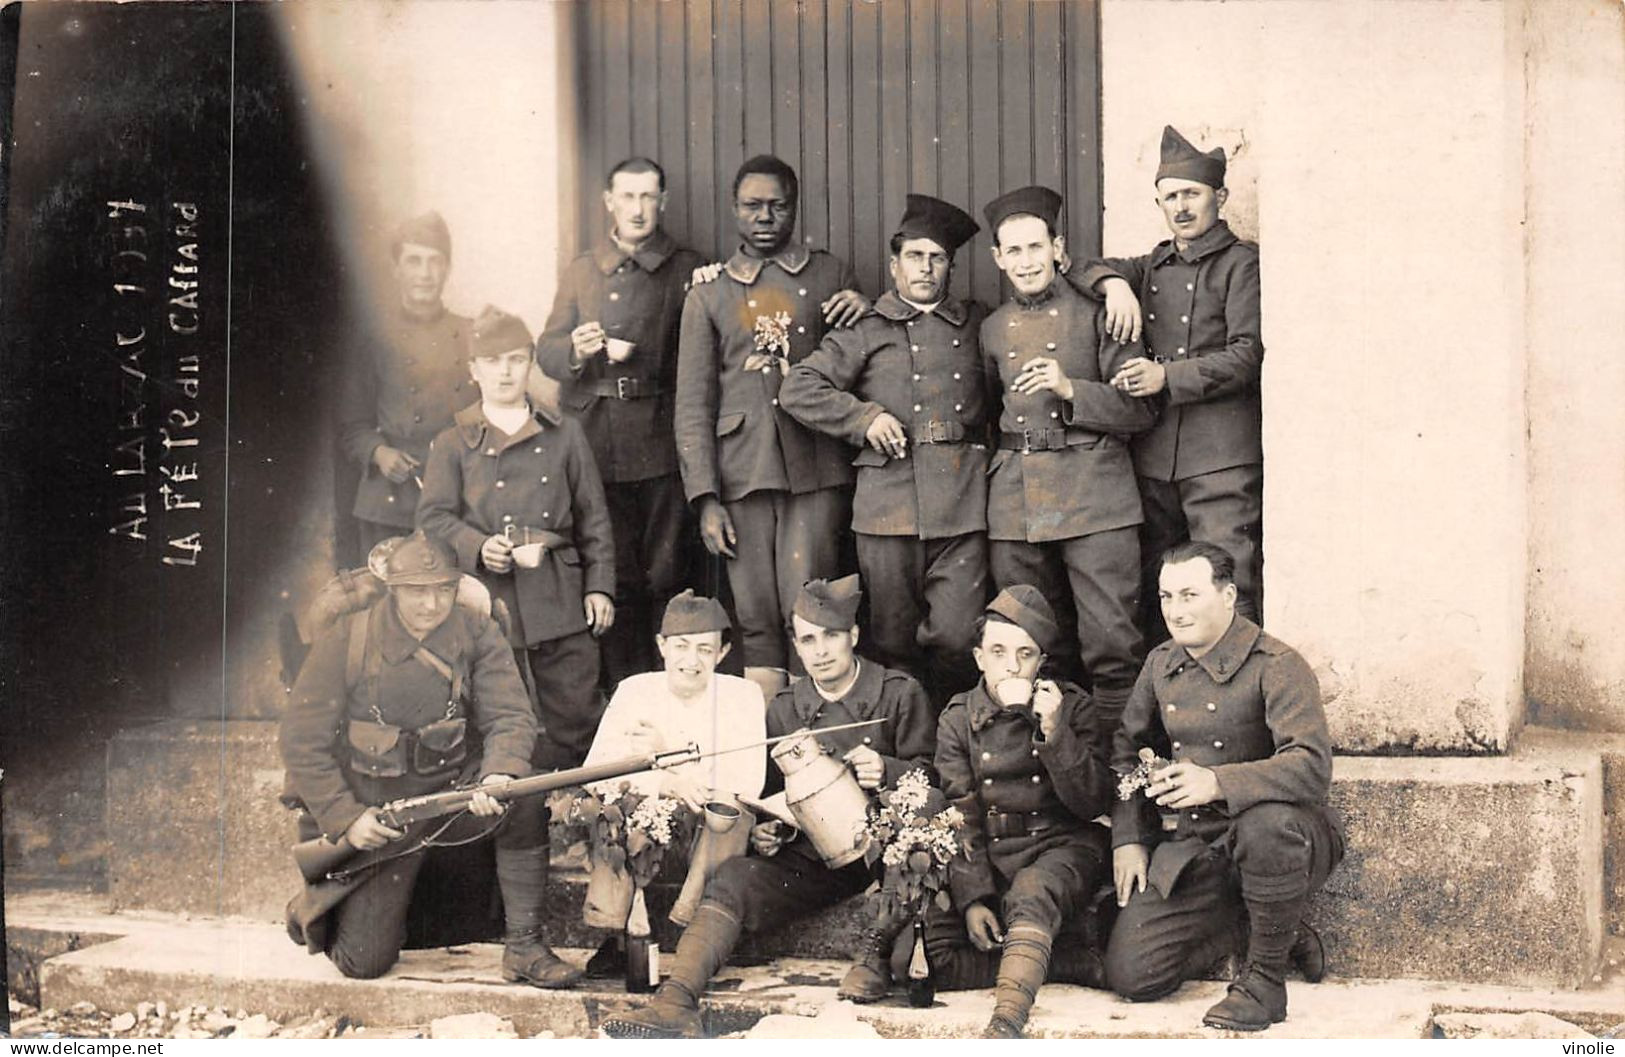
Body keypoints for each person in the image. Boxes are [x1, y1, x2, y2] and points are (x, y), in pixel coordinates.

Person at [601, 575, 937, 1039]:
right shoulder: (784, 708)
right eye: (808, 640)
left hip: (883, 855)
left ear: (854, 637)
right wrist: (769, 831)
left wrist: (889, 770)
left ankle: (875, 953)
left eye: (831, 637)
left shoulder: (898, 693)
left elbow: (934, 777)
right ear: (796, 647)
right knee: (734, 877)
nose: (820, 651)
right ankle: (676, 1001)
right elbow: (769, 794)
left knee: (922, 825)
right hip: (814, 858)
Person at [278, 531, 581, 987]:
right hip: (377, 813)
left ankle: (524, 945)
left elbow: (511, 715)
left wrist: (497, 773)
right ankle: (317, 907)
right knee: (364, 963)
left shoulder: (476, 630)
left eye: (443, 589)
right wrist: (347, 817)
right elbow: (302, 739)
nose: (431, 605)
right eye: (417, 591)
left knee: (523, 795)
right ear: (393, 589)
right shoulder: (349, 638)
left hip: (449, 798)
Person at [1105, 542, 1342, 1031]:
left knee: (1264, 826)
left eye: (1190, 595)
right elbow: (1126, 751)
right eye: (1167, 597)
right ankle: (1274, 927)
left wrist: (1216, 782)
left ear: (1228, 595)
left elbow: (1311, 765)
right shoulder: (1160, 664)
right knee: (1132, 975)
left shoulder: (1276, 664)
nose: (1176, 611)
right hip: (1201, 846)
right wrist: (1128, 838)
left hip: (1286, 838)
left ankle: (1264, 984)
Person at [780, 194, 991, 707]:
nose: (925, 268)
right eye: (914, 256)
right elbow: (798, 388)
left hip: (962, 505)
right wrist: (864, 417)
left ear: (950, 267)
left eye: (936, 257)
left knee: (960, 637)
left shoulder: (978, 323)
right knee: (893, 641)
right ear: (894, 264)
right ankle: (907, 752)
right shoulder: (867, 327)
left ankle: (953, 738)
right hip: (886, 508)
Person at [674, 154, 869, 702]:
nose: (765, 217)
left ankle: (818, 734)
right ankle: (767, 751)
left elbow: (860, 354)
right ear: (735, 210)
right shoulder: (708, 294)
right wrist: (704, 497)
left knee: (811, 610)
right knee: (756, 614)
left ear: (795, 207)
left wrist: (864, 304)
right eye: (752, 206)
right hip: (741, 473)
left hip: (816, 465)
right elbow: (692, 403)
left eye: (778, 206)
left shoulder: (831, 275)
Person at [980, 185, 1157, 738]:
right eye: (1014, 251)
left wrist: (1069, 388)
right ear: (997, 259)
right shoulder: (991, 328)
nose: (1027, 262)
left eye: (1037, 248)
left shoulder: (1101, 312)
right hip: (1017, 505)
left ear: (1059, 248)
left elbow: (1141, 409)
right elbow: (992, 412)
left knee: (1112, 643)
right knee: (1028, 644)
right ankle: (1041, 767)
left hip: (1094, 496)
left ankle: (1120, 774)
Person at [1076, 126, 1265, 642]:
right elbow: (1079, 268)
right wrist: (1115, 285)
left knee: (1230, 581)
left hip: (1222, 455)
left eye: (1192, 194)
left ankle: (1236, 707)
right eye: (1170, 197)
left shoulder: (1241, 264)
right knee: (1162, 585)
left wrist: (1166, 376)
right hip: (1155, 455)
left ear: (1219, 198)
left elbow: (1247, 354)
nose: (1181, 207)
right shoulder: (1150, 265)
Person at [417, 307, 616, 769]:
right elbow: (432, 520)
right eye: (492, 361)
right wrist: (477, 547)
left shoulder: (565, 433)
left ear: (530, 363)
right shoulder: (452, 442)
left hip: (559, 599)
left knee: (578, 720)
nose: (504, 372)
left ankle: (582, 825)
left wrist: (600, 586)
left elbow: (594, 519)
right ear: (473, 369)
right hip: (487, 602)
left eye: (514, 359)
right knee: (494, 722)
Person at [537, 158, 705, 686]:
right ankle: (619, 692)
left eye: (648, 198)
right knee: (610, 572)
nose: (638, 209)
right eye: (627, 197)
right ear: (608, 201)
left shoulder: (687, 268)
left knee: (665, 572)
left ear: (664, 202)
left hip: (658, 439)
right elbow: (546, 350)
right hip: (596, 440)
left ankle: (670, 686)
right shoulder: (583, 269)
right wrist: (575, 350)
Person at [928, 585, 1114, 1037]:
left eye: (1025, 654)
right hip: (992, 852)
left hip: (1061, 845)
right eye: (998, 651)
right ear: (979, 658)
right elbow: (960, 812)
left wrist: (1055, 731)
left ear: (1041, 661)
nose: (1011, 666)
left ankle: (1006, 1022)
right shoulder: (957, 718)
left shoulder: (1072, 706)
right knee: (922, 955)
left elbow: (1093, 801)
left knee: (1030, 895)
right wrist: (973, 898)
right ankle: (1063, 960)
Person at [576, 589, 767, 977]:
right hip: (652, 819)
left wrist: (674, 764)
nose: (691, 661)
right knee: (611, 807)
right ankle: (615, 933)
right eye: (680, 646)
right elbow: (599, 770)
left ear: (722, 653)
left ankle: (697, 925)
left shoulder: (742, 695)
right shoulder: (635, 690)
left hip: (707, 828)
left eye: (704, 649)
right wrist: (668, 782)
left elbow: (749, 779)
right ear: (662, 646)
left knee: (730, 807)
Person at [339, 211, 474, 563]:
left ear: (447, 268)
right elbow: (352, 425)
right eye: (414, 261)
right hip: (389, 499)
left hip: (456, 498)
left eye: (435, 261)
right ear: (397, 268)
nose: (425, 273)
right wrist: (379, 453)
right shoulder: (371, 338)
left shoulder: (471, 334)